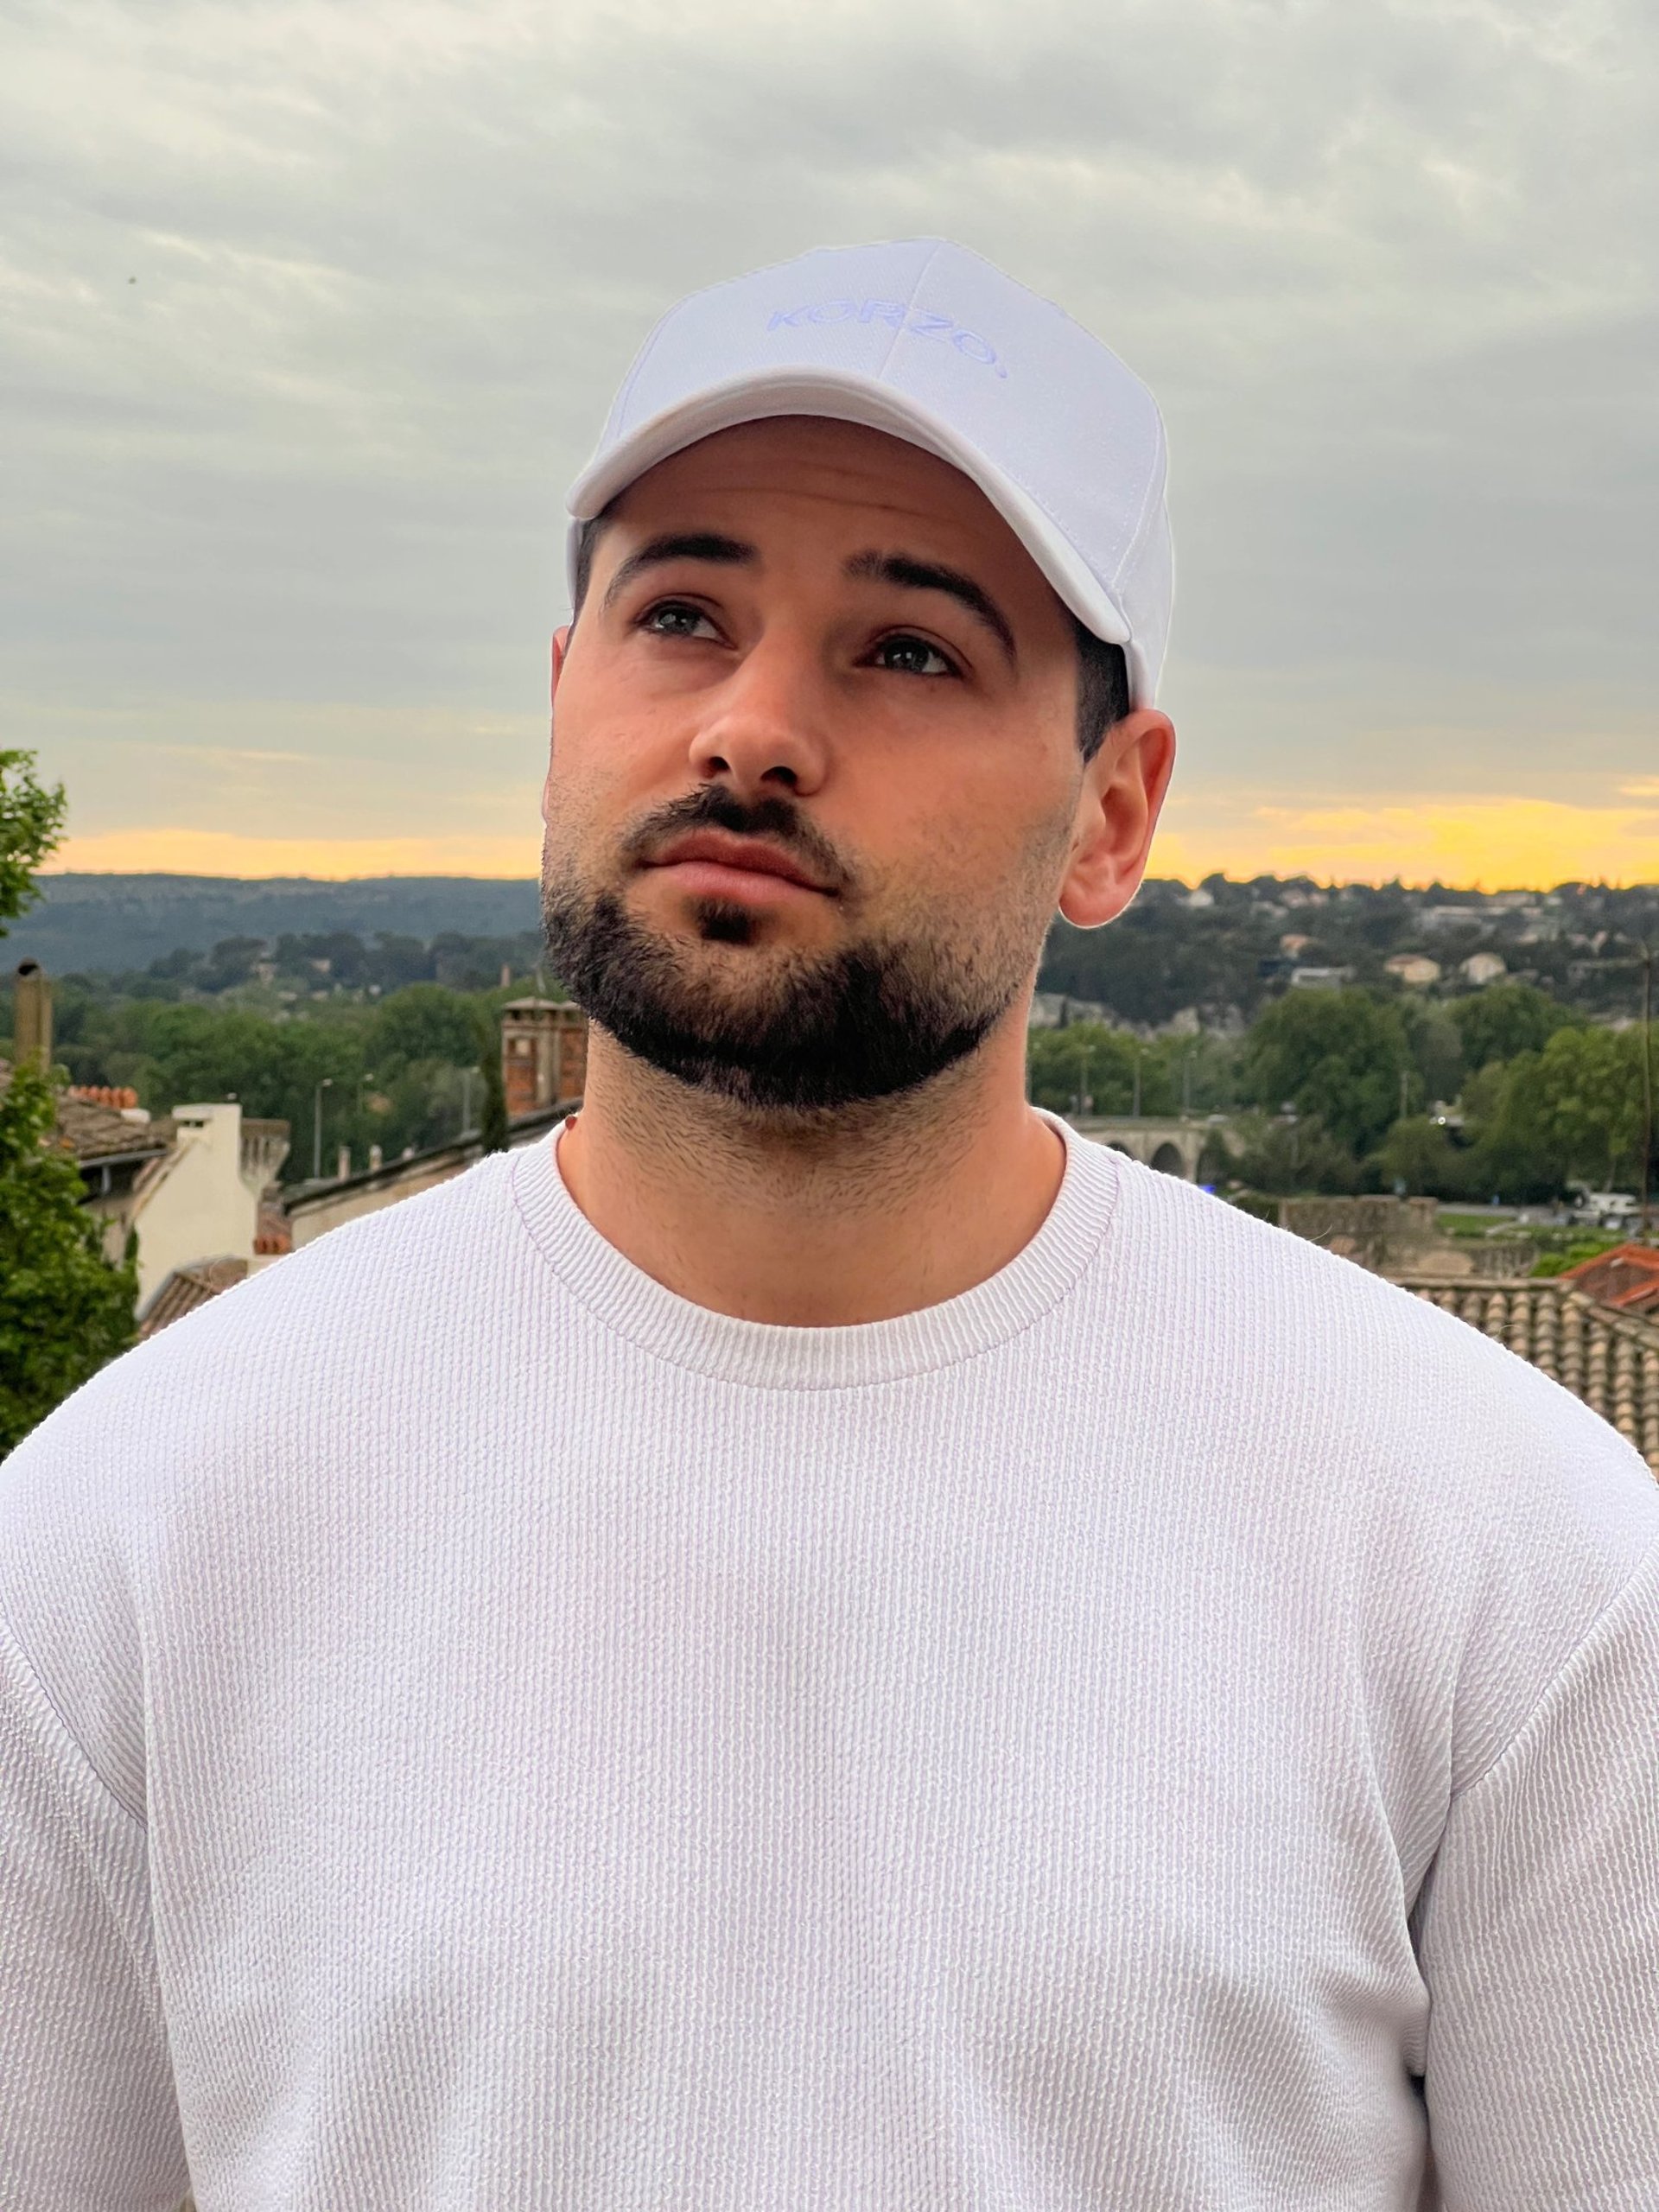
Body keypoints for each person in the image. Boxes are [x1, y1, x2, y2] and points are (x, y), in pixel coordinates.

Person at [2, 238, 1656, 2210]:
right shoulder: (123, 1534)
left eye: (910, 647)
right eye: (683, 611)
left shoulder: (1513, 1562)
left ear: (1115, 812)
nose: (753, 728)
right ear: (560, 700)